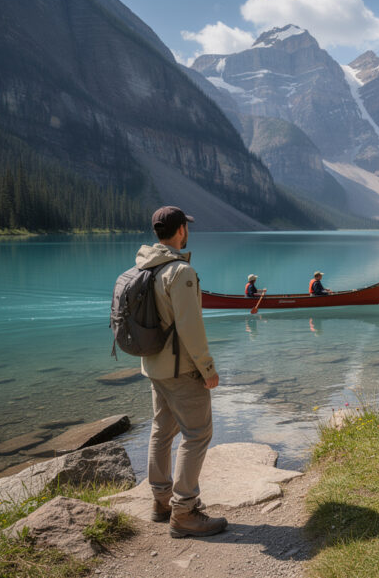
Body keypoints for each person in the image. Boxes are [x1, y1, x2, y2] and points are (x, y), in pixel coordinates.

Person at [137, 206, 227, 539]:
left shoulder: (145, 265)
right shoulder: (180, 272)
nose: (187, 231)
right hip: (181, 370)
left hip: (154, 368)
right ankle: (184, 511)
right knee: (197, 433)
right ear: (180, 231)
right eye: (185, 227)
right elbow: (191, 328)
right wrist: (207, 369)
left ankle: (161, 502)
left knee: (162, 431)